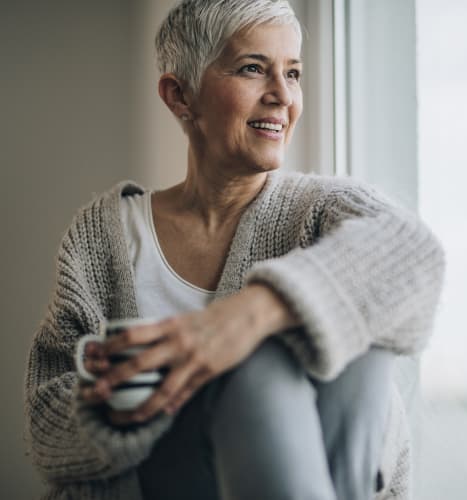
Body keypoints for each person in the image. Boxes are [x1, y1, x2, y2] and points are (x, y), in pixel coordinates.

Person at [24, 1, 445, 499]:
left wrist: (240, 322)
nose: (282, 96)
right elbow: (45, 425)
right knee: (262, 365)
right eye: (253, 69)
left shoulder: (323, 209)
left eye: (293, 73)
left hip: (327, 478)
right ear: (181, 95)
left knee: (350, 329)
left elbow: (413, 251)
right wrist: (147, 393)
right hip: (163, 481)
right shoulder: (104, 235)